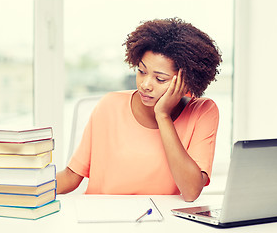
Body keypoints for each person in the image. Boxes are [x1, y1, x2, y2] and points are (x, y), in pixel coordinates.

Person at [57, 17, 222, 202]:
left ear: (187, 81)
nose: (145, 85)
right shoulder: (109, 106)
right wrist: (24, 190)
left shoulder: (202, 112)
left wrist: (163, 115)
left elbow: (191, 192)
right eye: (142, 71)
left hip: (162, 223)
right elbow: (71, 177)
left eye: (160, 79)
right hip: (101, 220)